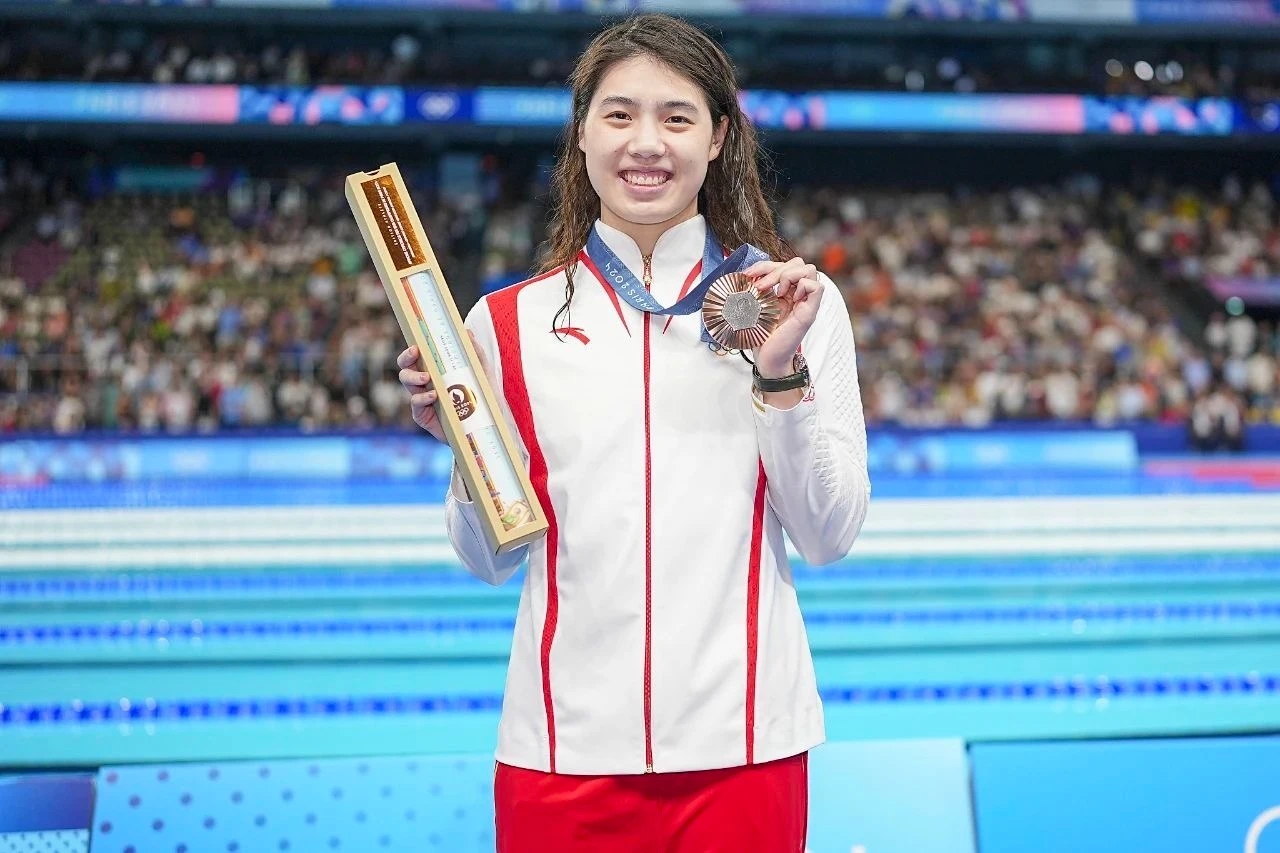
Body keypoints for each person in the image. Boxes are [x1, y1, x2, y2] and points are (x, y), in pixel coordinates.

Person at [397, 13, 871, 852]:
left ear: (719, 137)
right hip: (559, 754)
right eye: (618, 114)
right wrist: (468, 454)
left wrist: (779, 375)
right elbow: (487, 558)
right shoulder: (506, 325)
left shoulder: (795, 306)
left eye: (676, 117)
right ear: (581, 133)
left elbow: (829, 535)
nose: (645, 142)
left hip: (747, 749)